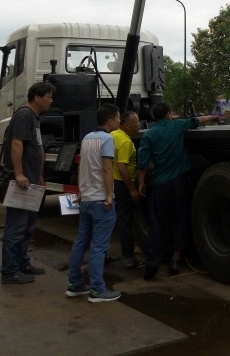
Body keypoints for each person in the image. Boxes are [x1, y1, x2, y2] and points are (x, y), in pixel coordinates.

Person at [137, 102, 219, 280]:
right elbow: (197, 120)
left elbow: (142, 163)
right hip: (179, 183)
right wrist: (213, 117)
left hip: (159, 185)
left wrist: (141, 183)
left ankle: (152, 263)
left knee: (156, 222)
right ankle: (175, 258)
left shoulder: (149, 135)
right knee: (179, 218)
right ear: (168, 114)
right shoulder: (177, 125)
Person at [0, 81, 55, 285]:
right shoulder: (24, 115)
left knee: (28, 226)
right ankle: (9, 271)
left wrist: (38, 174)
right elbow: (17, 144)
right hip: (22, 182)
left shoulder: (34, 117)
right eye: (48, 97)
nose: (51, 101)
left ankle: (22, 263)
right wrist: (19, 173)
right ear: (37, 97)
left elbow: (35, 147)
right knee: (16, 227)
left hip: (31, 181)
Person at [66, 103, 122, 302]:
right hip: (101, 201)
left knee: (81, 242)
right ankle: (97, 290)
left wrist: (81, 191)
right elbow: (107, 168)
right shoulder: (107, 139)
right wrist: (110, 194)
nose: (119, 121)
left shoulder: (87, 138)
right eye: (118, 118)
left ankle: (75, 284)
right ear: (110, 121)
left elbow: (82, 166)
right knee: (98, 246)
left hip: (87, 199)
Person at [112, 110, 142, 268]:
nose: (139, 124)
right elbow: (122, 167)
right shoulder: (126, 142)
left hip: (113, 182)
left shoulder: (113, 135)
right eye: (136, 122)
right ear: (127, 126)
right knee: (126, 221)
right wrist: (131, 188)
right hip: (123, 185)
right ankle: (129, 258)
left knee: (115, 219)